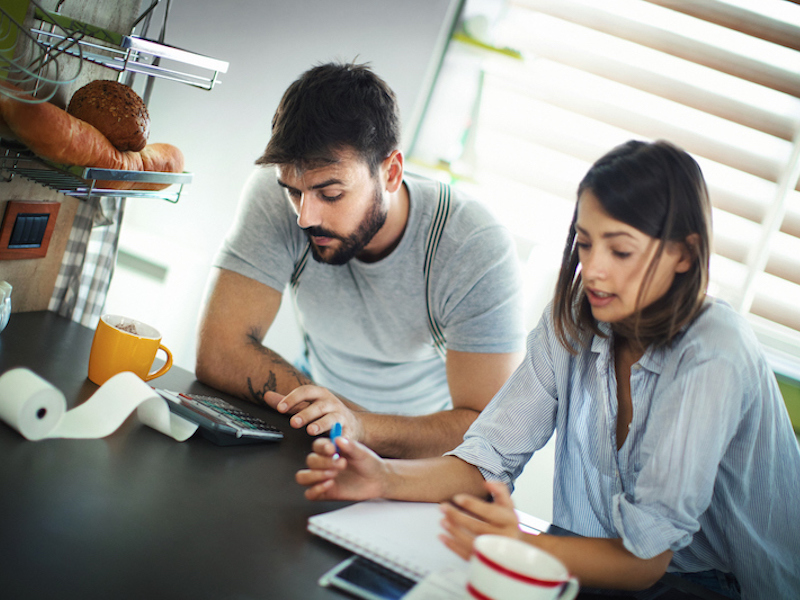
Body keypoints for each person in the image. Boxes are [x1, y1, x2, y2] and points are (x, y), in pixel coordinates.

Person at [296, 140, 800, 599]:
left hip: (713, 584)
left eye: (620, 250)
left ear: (683, 256)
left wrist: (515, 544)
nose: (595, 268)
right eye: (585, 243)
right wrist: (384, 477)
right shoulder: (580, 314)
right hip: (590, 560)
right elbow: (488, 455)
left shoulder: (714, 350)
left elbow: (646, 562)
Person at [195, 62, 525, 459]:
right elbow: (218, 350)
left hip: (419, 454)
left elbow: (485, 429)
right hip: (316, 424)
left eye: (331, 195)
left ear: (391, 172)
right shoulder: (277, 193)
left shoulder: (472, 245)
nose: (305, 217)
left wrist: (359, 425)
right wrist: (338, 419)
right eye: (294, 192)